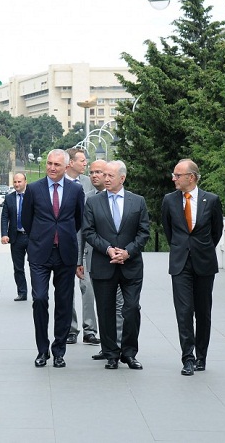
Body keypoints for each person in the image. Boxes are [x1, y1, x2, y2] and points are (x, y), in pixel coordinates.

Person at [82, 160, 150, 370]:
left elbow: (144, 232)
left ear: (122, 178)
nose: (106, 179)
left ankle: (129, 353)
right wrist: (108, 249)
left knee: (131, 309)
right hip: (104, 263)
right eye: (105, 175)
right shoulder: (93, 202)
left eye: (111, 176)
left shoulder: (137, 202)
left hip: (131, 266)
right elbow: (88, 231)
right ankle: (111, 353)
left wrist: (128, 251)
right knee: (105, 310)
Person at [21, 149, 84, 369]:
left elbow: (78, 220)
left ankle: (59, 351)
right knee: (39, 299)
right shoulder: (33, 189)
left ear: (66, 167)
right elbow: (27, 220)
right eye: (49, 163)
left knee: (64, 303)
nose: (52, 167)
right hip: (39, 252)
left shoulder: (76, 190)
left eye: (57, 164)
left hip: (65, 252)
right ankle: (42, 350)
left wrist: (62, 236)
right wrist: (40, 237)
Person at [161, 159, 223, 376]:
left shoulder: (211, 200)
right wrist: (182, 248)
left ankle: (201, 356)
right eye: (174, 174)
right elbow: (169, 231)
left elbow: (217, 232)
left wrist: (201, 249)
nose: (173, 178)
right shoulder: (169, 200)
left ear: (192, 177)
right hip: (180, 263)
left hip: (204, 262)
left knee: (203, 312)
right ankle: (187, 358)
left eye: (178, 175)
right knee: (184, 311)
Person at [82, 160, 125, 361]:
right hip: (97, 259)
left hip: (123, 260)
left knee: (120, 304)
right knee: (103, 304)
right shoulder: (89, 199)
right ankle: (108, 346)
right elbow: (83, 232)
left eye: (101, 172)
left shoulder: (127, 199)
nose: (97, 176)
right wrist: (79, 260)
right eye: (93, 172)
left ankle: (118, 345)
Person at [65, 148, 100, 346]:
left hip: (85, 244)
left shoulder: (87, 183)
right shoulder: (58, 183)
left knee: (87, 288)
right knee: (66, 288)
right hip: (63, 244)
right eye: (82, 160)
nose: (85, 164)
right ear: (70, 162)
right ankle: (70, 329)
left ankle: (90, 329)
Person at [0, 173, 29, 301]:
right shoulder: (9, 198)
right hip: (16, 237)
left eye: (19, 182)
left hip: (31, 237)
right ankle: (22, 292)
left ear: (25, 182)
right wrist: (4, 234)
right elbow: (4, 217)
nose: (17, 184)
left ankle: (38, 292)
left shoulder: (32, 196)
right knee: (18, 267)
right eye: (15, 182)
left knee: (36, 266)